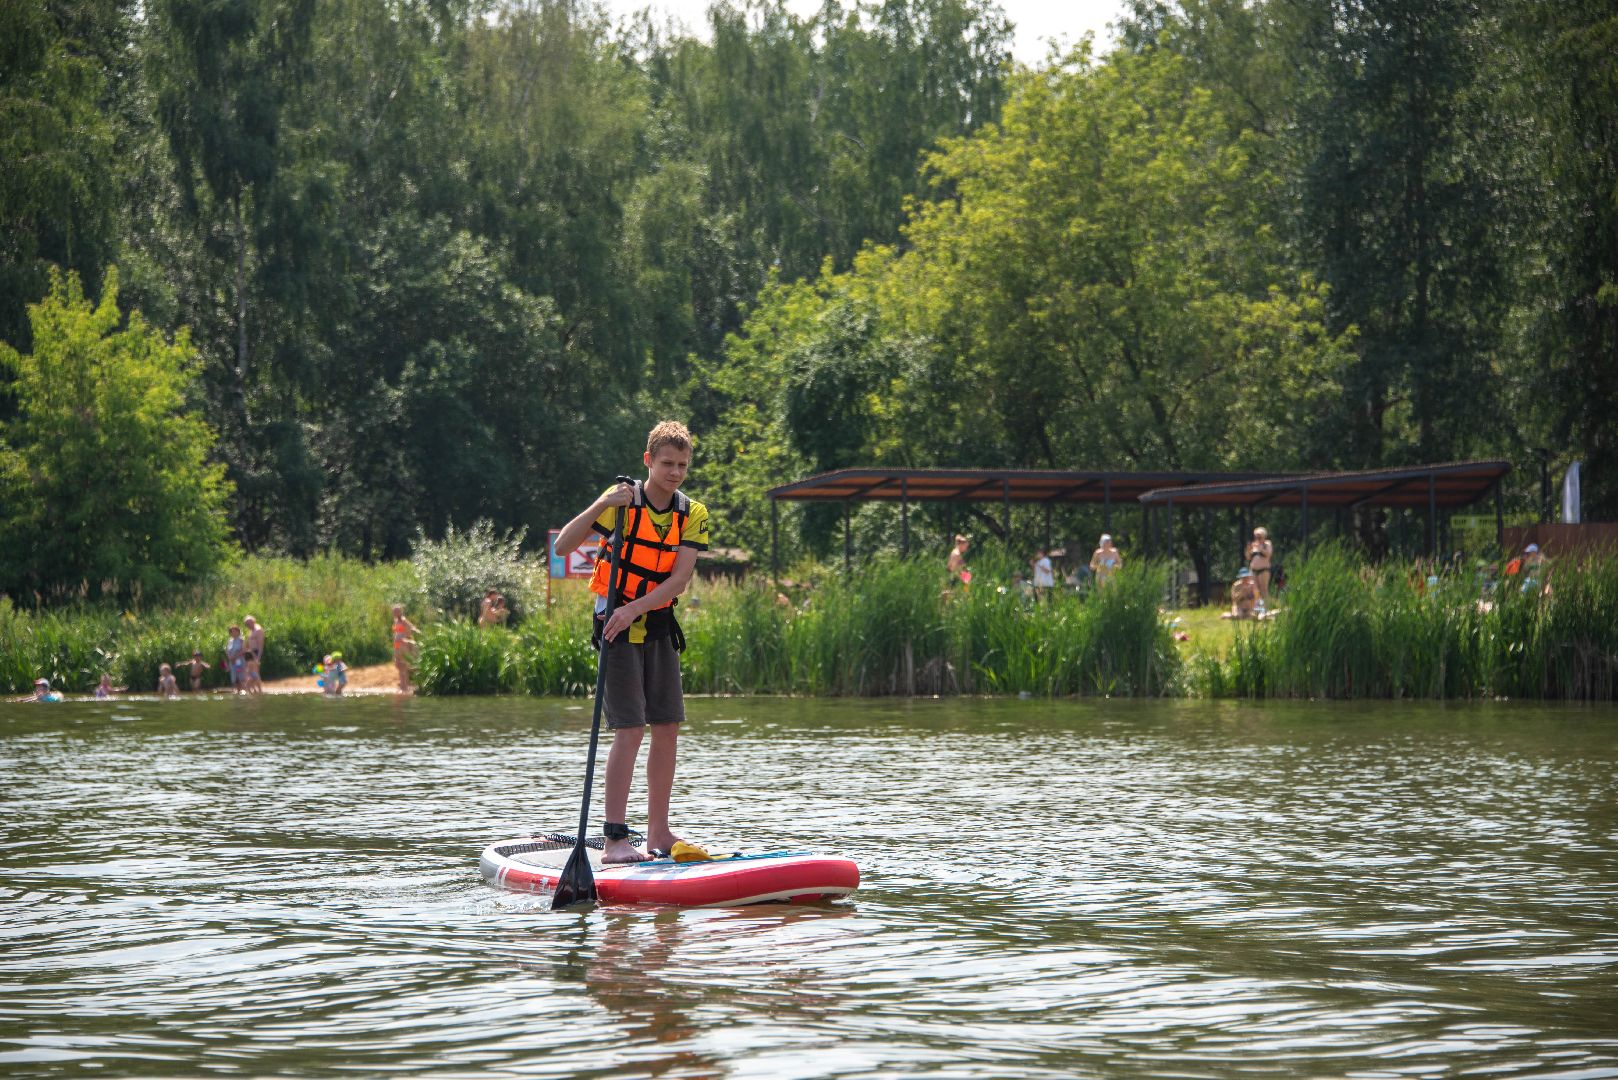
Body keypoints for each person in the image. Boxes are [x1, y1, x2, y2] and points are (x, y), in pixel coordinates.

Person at [552, 419, 711, 865]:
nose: (675, 472)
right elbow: (564, 546)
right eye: (666, 463)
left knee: (667, 727)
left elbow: (679, 581)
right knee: (630, 729)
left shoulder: (691, 512)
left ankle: (658, 832)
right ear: (648, 461)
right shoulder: (622, 503)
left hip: (654, 624)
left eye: (682, 464)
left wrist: (634, 609)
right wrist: (602, 502)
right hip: (614, 629)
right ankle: (616, 839)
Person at [391, 605, 419, 693]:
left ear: (400, 612)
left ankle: (405, 686)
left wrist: (414, 634)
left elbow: (412, 628)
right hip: (397, 645)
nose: (394, 613)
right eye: (394, 612)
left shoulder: (403, 620)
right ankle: (403, 686)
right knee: (399, 665)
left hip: (403, 644)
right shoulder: (396, 621)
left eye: (396, 611)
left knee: (404, 665)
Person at [1246, 527, 1274, 601]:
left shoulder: (1267, 544)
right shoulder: (1253, 545)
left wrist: (1260, 548)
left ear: (1264, 536)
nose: (1257, 537)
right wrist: (1248, 550)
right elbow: (1248, 557)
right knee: (1254, 590)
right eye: (1256, 535)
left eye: (1259, 535)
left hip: (1263, 570)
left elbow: (1268, 554)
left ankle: (1267, 607)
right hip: (1253, 570)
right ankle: (1256, 608)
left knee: (1264, 589)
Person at [223, 624, 245, 694]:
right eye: (231, 632)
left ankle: (242, 690)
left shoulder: (241, 640)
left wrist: (235, 657)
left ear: (238, 632)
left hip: (239, 661)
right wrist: (230, 658)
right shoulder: (230, 641)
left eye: (235, 631)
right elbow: (227, 650)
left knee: (240, 675)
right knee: (234, 676)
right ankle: (236, 691)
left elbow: (243, 650)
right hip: (232, 661)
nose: (233, 633)